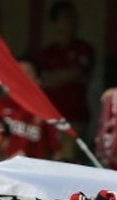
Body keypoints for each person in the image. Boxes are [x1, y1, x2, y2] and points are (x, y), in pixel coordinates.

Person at [0, 59, 63, 160]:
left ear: (38, 80)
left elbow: (56, 152)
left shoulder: (46, 114)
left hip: (26, 173)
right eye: (16, 72)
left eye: (26, 72)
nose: (20, 76)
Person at [37, 1, 95, 158]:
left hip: (74, 117)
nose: (71, 21)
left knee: (68, 161)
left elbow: (77, 72)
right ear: (55, 22)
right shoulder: (47, 53)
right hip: (49, 118)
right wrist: (63, 77)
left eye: (73, 16)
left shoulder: (84, 48)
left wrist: (52, 78)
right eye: (65, 17)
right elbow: (38, 81)